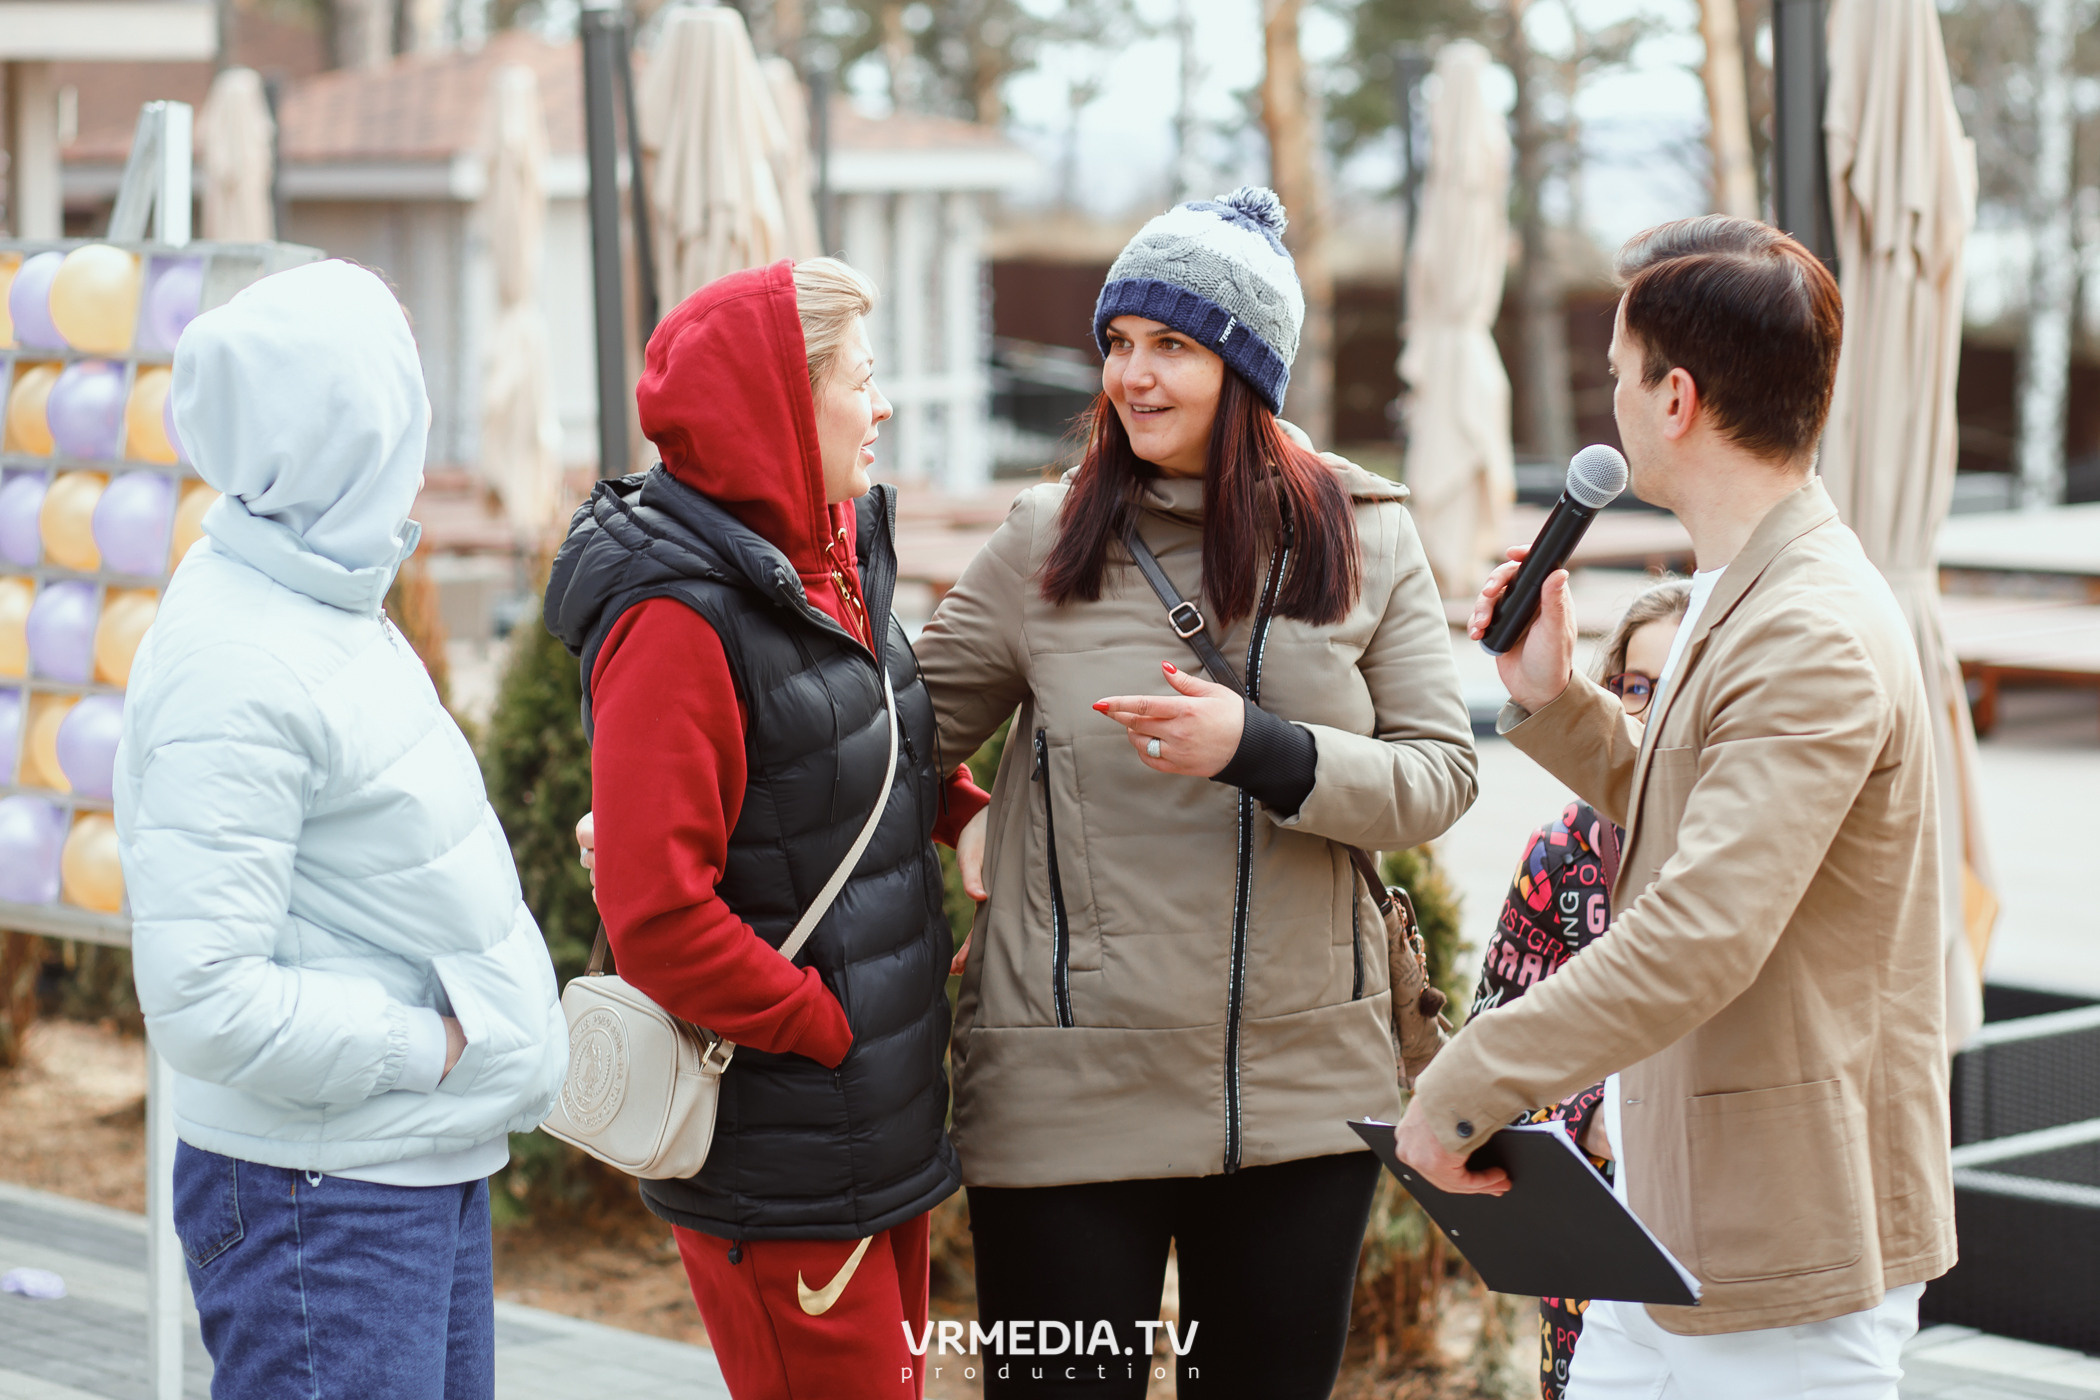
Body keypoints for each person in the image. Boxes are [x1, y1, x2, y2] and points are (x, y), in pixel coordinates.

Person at [910, 186, 1479, 1397]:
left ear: (1246, 366)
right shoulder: (1040, 541)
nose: (1133, 375)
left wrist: (1260, 748)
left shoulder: (1367, 536)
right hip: (1065, 1097)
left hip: (1299, 1103)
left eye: (1170, 344)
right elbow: (889, 746)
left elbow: (1441, 774)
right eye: (1118, 343)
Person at [1395, 215, 1955, 1400]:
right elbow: (1704, 806)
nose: (1610, 399)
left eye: (1616, 375)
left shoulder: (1811, 625)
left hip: (1782, 1249)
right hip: (1664, 1220)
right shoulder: (1742, 586)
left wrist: (1464, 1083)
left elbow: (1704, 925)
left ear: (1677, 398)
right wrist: (1558, 701)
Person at [115, 260, 569, 1399]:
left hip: (405, 1172)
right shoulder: (242, 653)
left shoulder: (322, 608)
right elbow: (204, 992)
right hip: (326, 1199)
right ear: (355, 429)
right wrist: (428, 1045)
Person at [543, 256, 987, 1400]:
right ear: (782, 409)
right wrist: (824, 1028)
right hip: (789, 1143)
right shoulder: (678, 619)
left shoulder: (820, 559)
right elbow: (658, 914)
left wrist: (964, 817)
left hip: (870, 1133)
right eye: (862, 377)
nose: (883, 405)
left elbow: (845, 747)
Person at [1462, 579, 1690, 1400]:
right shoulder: (1565, 852)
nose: (1648, 713)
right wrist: (1591, 1115)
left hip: (1735, 1238)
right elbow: (1495, 1035)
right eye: (1633, 687)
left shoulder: (1749, 849)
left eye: (1678, 690)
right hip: (1596, 1240)